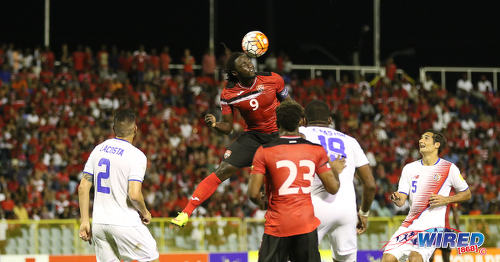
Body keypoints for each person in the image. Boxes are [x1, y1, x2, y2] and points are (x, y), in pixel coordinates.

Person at [171, 52, 292, 227]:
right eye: (243, 64)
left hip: (276, 135)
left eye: (248, 61)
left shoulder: (273, 79)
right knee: (224, 168)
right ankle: (186, 212)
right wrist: (214, 125)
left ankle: (279, 220)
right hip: (253, 136)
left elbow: (290, 104)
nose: (249, 65)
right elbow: (227, 128)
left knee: (276, 183)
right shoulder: (228, 94)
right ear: (235, 73)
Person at [248, 100, 343, 262]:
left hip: (277, 226)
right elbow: (333, 188)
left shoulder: (264, 151)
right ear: (302, 121)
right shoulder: (316, 150)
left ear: (276, 122)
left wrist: (262, 202)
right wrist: (335, 170)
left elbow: (252, 193)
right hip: (305, 225)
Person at [299, 100, 376, 262]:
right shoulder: (350, 141)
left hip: (313, 206)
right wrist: (363, 213)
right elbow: (370, 184)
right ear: (330, 121)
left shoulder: (301, 132)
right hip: (346, 209)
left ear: (304, 120)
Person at [78, 109, 159, 262]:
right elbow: (134, 194)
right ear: (135, 129)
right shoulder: (136, 155)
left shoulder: (98, 150)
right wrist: (145, 212)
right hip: (124, 222)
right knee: (151, 257)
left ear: (114, 129)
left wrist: (84, 221)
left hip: (99, 224)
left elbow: (83, 187)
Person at [382, 130, 471, 262]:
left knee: (415, 258)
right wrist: (397, 198)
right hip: (409, 225)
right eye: (421, 138)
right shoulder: (409, 168)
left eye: (426, 138)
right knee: (387, 258)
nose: (420, 141)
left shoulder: (448, 168)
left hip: (432, 227)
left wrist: (446, 200)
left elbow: (467, 194)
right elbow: (401, 200)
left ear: (437, 145)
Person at [430, 190, 461, 262]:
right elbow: (455, 213)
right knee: (445, 258)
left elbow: (455, 213)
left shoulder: (431, 191)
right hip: (441, 229)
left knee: (431, 257)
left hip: (434, 230)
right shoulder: (450, 194)